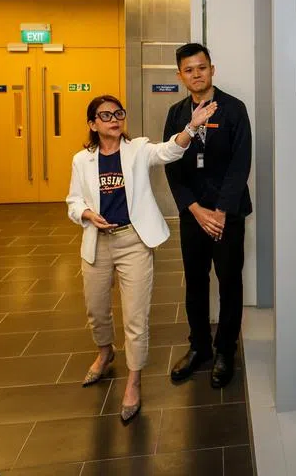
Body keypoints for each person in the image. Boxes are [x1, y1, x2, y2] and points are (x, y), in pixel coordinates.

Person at [66, 94, 217, 421]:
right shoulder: (82, 160)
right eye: (105, 115)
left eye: (118, 113)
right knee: (96, 310)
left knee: (135, 316)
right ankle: (105, 352)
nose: (114, 119)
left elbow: (170, 151)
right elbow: (73, 201)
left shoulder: (137, 150)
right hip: (97, 243)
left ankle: (133, 381)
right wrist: (87, 214)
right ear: (92, 124)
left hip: (133, 241)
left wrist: (191, 127)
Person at [164, 43, 253, 389]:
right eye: (189, 70)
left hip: (227, 214)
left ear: (212, 69)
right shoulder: (176, 114)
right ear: (180, 75)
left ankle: (225, 350)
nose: (196, 74)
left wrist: (219, 211)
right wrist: (194, 208)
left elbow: (240, 164)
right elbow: (170, 163)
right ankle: (199, 346)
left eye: (202, 67)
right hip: (193, 214)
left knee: (229, 282)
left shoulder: (234, 109)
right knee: (196, 281)